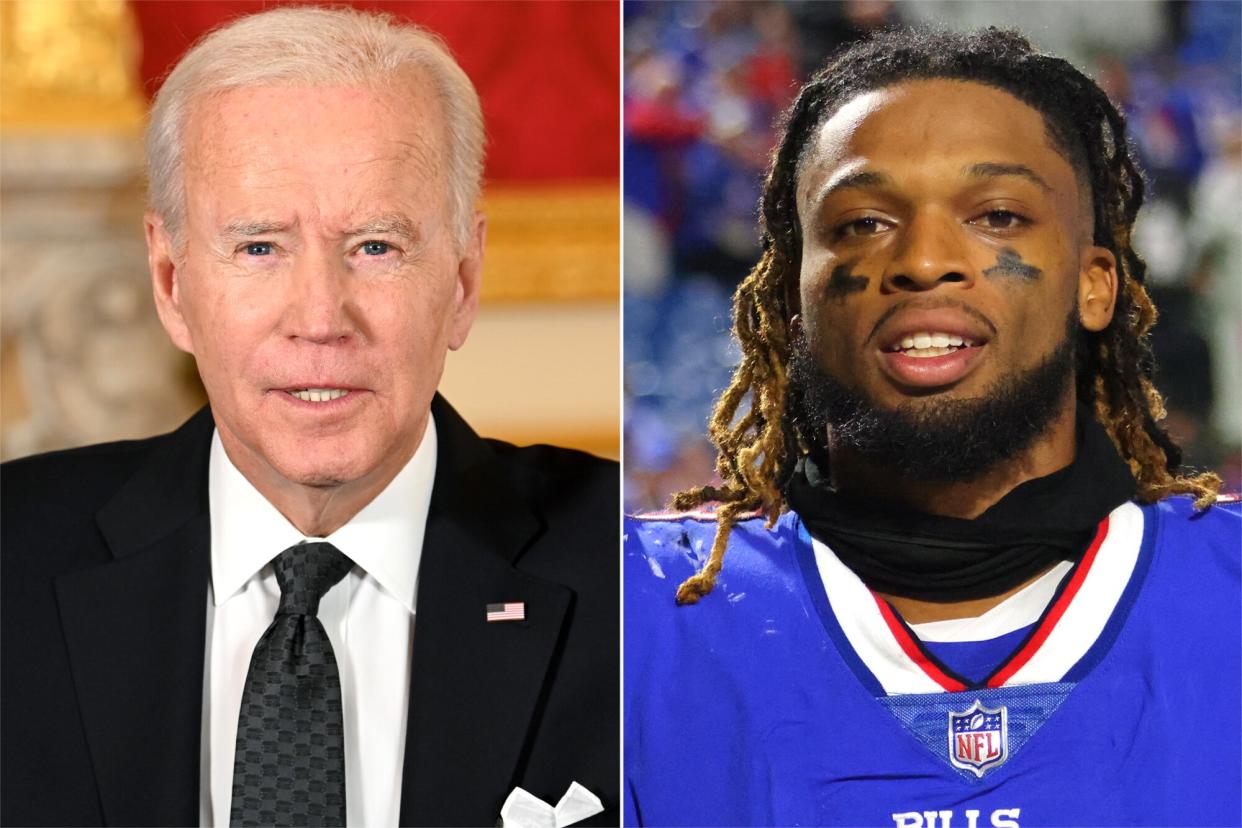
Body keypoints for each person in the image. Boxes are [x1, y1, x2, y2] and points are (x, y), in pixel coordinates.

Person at [1, 7, 618, 827]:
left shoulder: (633, 581)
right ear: (171, 283)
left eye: (375, 247)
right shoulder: (11, 563)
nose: (322, 316)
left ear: (462, 283)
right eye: (259, 247)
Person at [624, 28, 1239, 827]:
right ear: (790, 300)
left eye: (997, 214)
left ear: (1095, 288)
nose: (922, 259)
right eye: (862, 223)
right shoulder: (633, 615)